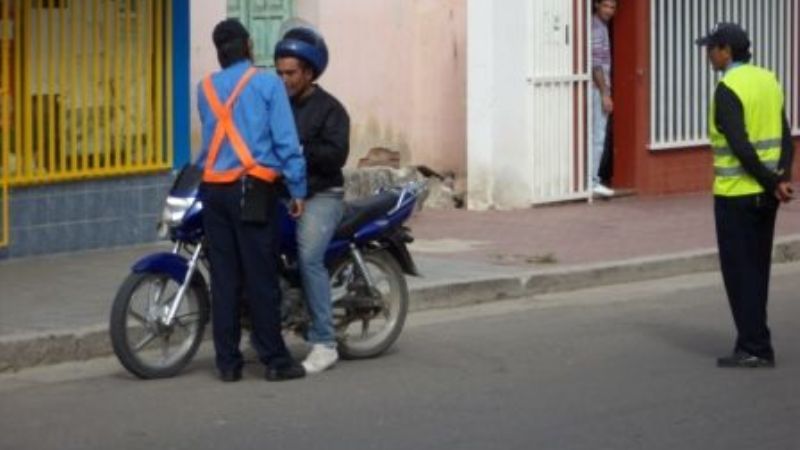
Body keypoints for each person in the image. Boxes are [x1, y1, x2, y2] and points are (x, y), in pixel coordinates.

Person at [196, 19, 307, 382]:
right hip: (253, 189)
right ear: (248, 46)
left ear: (219, 51)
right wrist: (298, 189)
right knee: (260, 278)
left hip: (214, 192)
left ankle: (227, 364)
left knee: (225, 280)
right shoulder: (267, 83)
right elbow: (286, 142)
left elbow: (211, 142)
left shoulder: (205, 88)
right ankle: (275, 359)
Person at [696, 22, 795, 368]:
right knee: (757, 271)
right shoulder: (768, 80)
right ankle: (754, 340)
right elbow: (785, 134)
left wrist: (770, 181)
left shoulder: (728, 88)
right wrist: (782, 177)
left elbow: (740, 145)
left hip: (737, 196)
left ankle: (754, 346)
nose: (708, 54)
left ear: (726, 50)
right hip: (766, 198)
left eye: (711, 48)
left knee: (740, 274)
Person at [274, 27, 350, 374]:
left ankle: (324, 341)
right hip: (284, 194)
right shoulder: (278, 105)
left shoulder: (331, 109)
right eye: (280, 73)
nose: (284, 79)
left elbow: (336, 156)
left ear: (309, 72)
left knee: (309, 256)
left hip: (322, 196)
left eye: (290, 73)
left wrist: (300, 150)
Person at [590, 0, 617, 197]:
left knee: (595, 135)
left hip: (596, 88)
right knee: (597, 136)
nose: (609, 11)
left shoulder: (600, 27)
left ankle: (590, 179)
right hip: (596, 89)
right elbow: (596, 64)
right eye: (606, 6)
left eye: (612, 7)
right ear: (596, 5)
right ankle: (592, 180)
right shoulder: (597, 29)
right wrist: (605, 93)